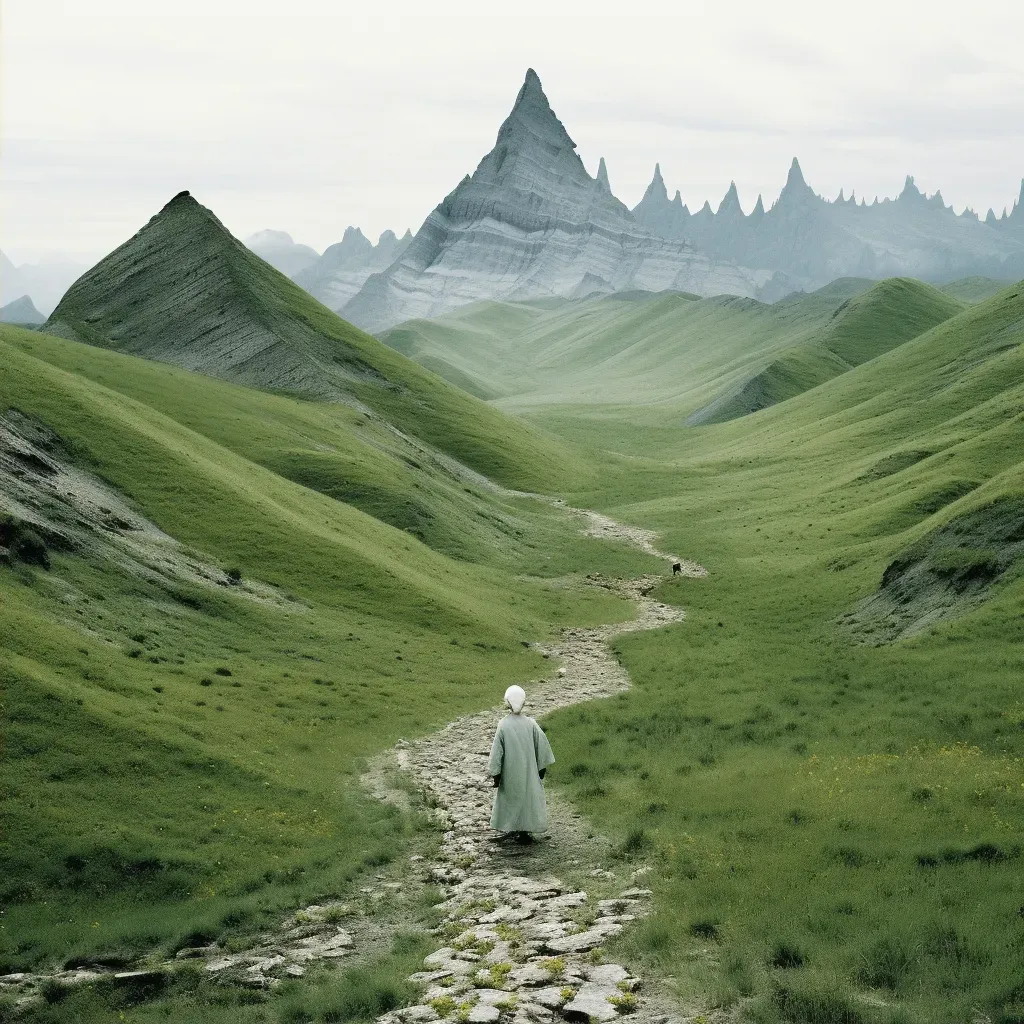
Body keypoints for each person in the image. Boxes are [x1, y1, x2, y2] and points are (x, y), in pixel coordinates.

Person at [488, 685, 555, 843]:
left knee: (511, 799)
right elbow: (543, 746)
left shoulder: (503, 725)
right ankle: (524, 830)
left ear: (507, 703)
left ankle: (515, 829)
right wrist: (541, 768)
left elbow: (497, 752)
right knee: (527, 800)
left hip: (510, 772)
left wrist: (496, 774)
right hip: (529, 771)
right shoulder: (530, 723)